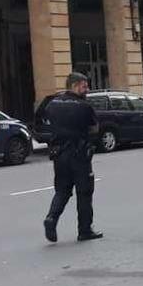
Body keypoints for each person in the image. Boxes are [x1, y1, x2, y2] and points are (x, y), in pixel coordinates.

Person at [42, 72, 103, 242]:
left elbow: (44, 121)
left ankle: (51, 218)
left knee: (62, 190)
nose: (87, 89)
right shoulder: (84, 106)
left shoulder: (52, 103)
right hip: (79, 155)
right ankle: (84, 230)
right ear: (75, 86)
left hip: (59, 154)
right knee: (84, 192)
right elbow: (94, 128)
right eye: (84, 86)